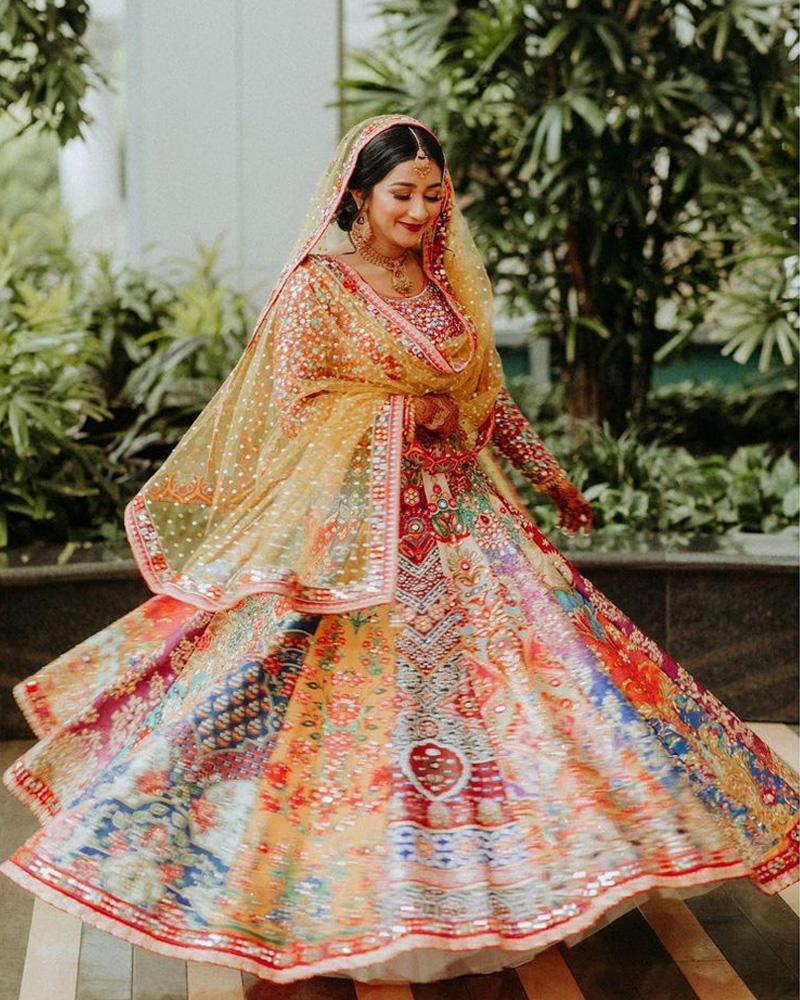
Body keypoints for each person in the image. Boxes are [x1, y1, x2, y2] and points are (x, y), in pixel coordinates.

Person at [2, 114, 797, 986]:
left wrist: (549, 475)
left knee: (550, 690)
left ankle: (524, 876)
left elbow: (485, 397)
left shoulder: (443, 283)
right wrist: (395, 415)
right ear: (358, 197)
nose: (420, 211)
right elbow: (293, 409)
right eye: (401, 195)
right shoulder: (317, 288)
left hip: (463, 531)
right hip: (353, 538)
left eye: (431, 193)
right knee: (327, 714)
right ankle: (331, 887)